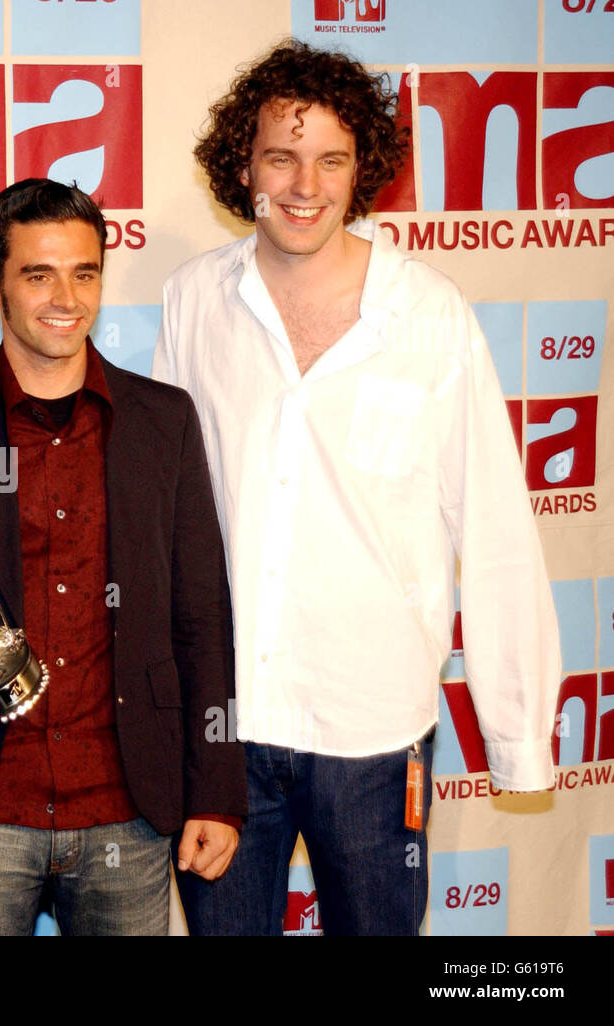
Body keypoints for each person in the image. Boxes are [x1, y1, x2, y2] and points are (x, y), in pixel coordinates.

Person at [152, 40, 562, 935]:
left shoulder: (431, 315)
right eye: (281, 157)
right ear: (242, 166)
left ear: (361, 169)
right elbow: (168, 524)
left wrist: (520, 734)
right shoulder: (192, 302)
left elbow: (493, 529)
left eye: (331, 159)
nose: (305, 184)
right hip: (227, 727)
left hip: (376, 735)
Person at [0, 178, 246, 936]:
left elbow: (202, 617)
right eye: (38, 273)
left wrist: (215, 788)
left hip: (130, 812)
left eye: (85, 273)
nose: (66, 296)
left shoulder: (163, 421)